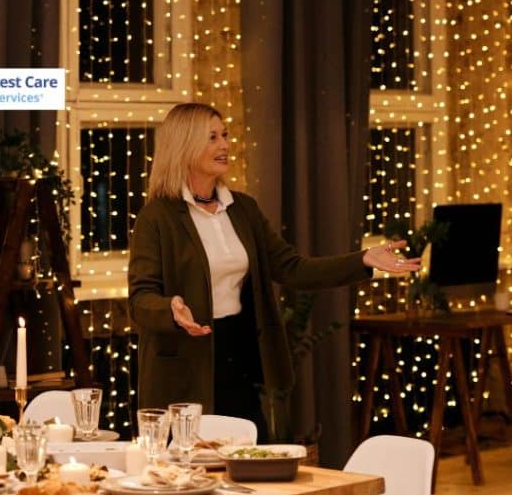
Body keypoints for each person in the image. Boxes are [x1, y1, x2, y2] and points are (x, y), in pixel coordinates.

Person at [127, 102, 419, 436]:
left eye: (224, 135)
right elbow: (140, 298)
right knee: (185, 470)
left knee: (250, 460)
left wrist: (362, 260)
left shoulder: (243, 209)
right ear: (184, 144)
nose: (224, 145)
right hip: (185, 365)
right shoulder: (157, 217)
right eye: (211, 137)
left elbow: (293, 268)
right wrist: (170, 309)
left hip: (238, 352)